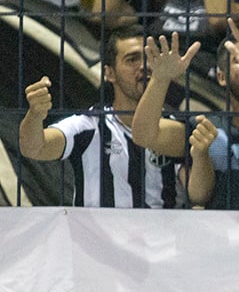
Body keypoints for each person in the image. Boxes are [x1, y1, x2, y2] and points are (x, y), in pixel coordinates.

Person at [132, 11, 239, 209]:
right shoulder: (206, 128)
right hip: (223, 237)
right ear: (221, 77)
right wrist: (160, 80)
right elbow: (143, 135)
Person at [18, 24, 183, 208]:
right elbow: (35, 148)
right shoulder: (89, 125)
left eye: (150, 58)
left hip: (160, 235)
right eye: (132, 59)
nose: (144, 66)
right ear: (109, 73)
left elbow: (199, 193)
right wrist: (34, 115)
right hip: (97, 237)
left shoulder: (174, 128)